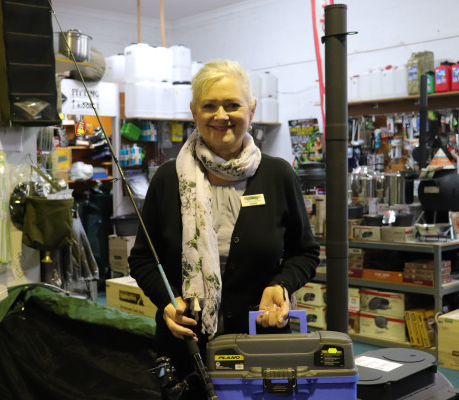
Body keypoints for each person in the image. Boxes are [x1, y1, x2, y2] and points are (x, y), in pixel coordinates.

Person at [129, 59, 320, 399]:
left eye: (232, 105)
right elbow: (143, 260)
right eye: (209, 106)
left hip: (261, 346)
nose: (221, 116)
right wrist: (167, 303)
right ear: (194, 111)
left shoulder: (278, 175)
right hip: (186, 348)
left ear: (252, 109)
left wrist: (281, 284)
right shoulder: (168, 179)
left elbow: (304, 253)